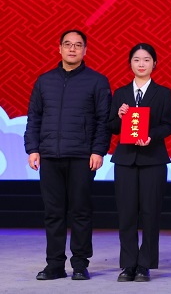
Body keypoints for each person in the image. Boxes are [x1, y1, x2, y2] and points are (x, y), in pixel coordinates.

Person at [25, 30, 111, 281]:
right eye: (68, 44)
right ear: (59, 48)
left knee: (80, 212)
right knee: (53, 213)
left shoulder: (97, 81)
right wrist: (33, 148)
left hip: (82, 157)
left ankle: (80, 264)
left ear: (85, 50)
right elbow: (34, 117)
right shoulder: (44, 81)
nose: (72, 49)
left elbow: (103, 121)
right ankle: (54, 265)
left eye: (78, 45)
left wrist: (98, 150)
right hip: (50, 156)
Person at [107, 43, 171, 282]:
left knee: (150, 213)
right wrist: (119, 116)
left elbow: (169, 125)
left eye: (146, 60)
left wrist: (151, 136)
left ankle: (144, 264)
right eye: (136, 60)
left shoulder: (163, 93)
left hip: (153, 159)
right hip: (125, 160)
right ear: (130, 64)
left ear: (154, 63)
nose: (141, 64)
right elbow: (112, 126)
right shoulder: (120, 93)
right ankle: (128, 264)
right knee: (126, 214)